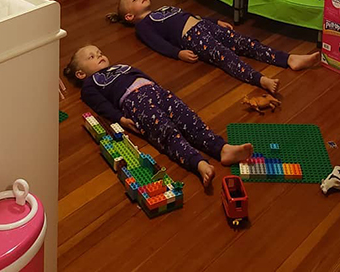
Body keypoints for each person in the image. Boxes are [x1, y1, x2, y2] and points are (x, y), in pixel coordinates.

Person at [63, 44, 252, 187]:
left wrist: (158, 89)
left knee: (191, 120)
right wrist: (119, 118)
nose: (99, 56)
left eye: (100, 52)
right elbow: (100, 104)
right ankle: (198, 163)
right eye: (92, 57)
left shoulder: (120, 66)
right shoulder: (91, 84)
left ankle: (222, 148)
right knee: (167, 133)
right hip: (134, 102)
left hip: (157, 92)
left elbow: (142, 75)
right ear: (81, 74)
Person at [109, 0, 321, 92]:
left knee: (247, 42)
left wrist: (215, 21)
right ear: (129, 16)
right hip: (192, 38)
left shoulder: (163, 9)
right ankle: (260, 79)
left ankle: (290, 59)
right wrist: (177, 53)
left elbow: (190, 14)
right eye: (134, 0)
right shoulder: (144, 26)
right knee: (226, 57)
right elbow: (157, 43)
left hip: (205, 26)